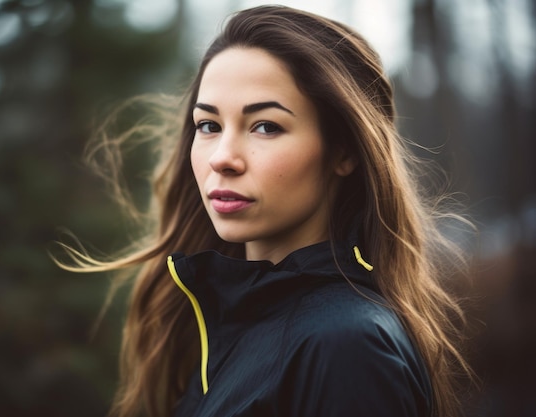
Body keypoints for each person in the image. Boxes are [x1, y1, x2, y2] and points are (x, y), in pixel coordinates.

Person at [57, 5, 474, 417]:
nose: (223, 158)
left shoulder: (346, 346)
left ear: (343, 151)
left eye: (265, 126)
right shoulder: (216, 324)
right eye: (209, 126)